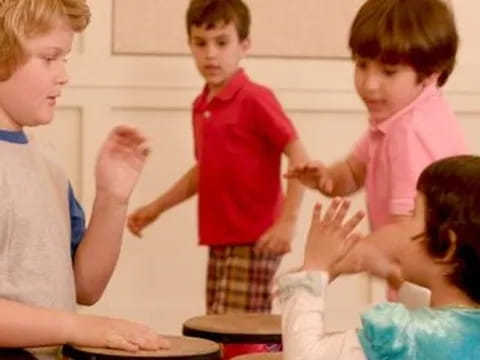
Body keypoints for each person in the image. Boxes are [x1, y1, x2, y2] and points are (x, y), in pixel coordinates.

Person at [0, 0, 169, 357]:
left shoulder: (47, 162)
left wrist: (112, 199)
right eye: (49, 58)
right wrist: (79, 327)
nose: (63, 75)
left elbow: (84, 287)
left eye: (65, 60)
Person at [127, 0, 308, 314]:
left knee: (238, 333)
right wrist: (156, 208)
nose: (210, 54)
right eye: (200, 43)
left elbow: (300, 157)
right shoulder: (201, 105)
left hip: (256, 238)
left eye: (222, 43)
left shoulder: (255, 98)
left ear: (244, 45)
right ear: (190, 45)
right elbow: (204, 171)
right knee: (217, 327)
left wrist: (287, 223)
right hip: (220, 238)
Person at [279, 155, 480, 360]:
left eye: (413, 214)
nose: (401, 226)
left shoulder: (402, 335)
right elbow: (447, 322)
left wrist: (313, 269)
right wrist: (395, 277)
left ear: (446, 246)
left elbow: (304, 357)